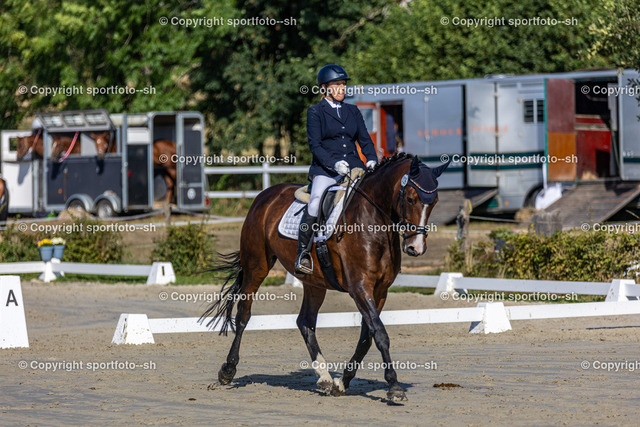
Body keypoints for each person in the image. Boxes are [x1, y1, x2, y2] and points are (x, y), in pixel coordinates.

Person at [295, 64, 378, 274]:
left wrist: (371, 159)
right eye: (337, 85)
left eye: (343, 84)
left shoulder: (352, 111)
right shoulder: (315, 112)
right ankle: (303, 253)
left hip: (355, 168)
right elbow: (315, 145)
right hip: (327, 170)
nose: (342, 88)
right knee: (315, 201)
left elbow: (364, 139)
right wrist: (334, 164)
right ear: (324, 88)